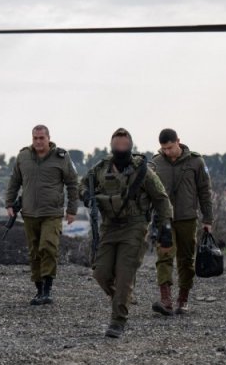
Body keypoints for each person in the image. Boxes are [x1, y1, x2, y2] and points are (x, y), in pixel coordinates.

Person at [80, 128, 173, 338]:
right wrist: (86, 195)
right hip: (109, 226)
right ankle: (122, 298)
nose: (120, 148)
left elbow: (161, 198)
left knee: (124, 275)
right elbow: (82, 185)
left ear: (130, 146)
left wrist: (165, 226)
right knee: (101, 273)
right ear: (111, 146)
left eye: (124, 144)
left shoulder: (142, 171)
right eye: (117, 144)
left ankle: (118, 321)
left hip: (134, 226)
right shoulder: (101, 168)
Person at [5, 124, 78, 306]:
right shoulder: (23, 157)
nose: (38, 142)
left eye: (41, 138)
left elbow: (72, 183)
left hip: (51, 213)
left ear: (48, 138)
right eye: (35, 138)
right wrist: (9, 203)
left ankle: (47, 288)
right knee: (34, 251)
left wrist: (72, 210)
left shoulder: (61, 157)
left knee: (48, 247)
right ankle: (39, 290)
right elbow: (14, 181)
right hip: (29, 213)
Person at [150, 128, 214, 315]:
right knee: (164, 257)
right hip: (164, 219)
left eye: (170, 147)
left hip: (187, 218)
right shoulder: (156, 163)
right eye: (164, 148)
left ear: (178, 141)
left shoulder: (196, 161)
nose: (167, 152)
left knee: (186, 260)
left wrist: (208, 219)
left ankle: (183, 299)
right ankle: (166, 300)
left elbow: (204, 191)